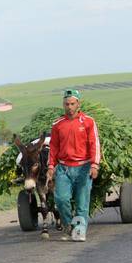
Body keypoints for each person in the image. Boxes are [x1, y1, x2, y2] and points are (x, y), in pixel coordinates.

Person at [46, 89, 101, 242]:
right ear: (63, 105)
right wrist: (51, 166)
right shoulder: (57, 124)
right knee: (61, 199)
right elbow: (54, 147)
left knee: (82, 203)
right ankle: (68, 225)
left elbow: (94, 144)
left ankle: (79, 231)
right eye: (66, 104)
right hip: (63, 169)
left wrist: (95, 165)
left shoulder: (88, 122)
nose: (69, 107)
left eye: (72, 103)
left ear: (78, 104)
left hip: (83, 168)